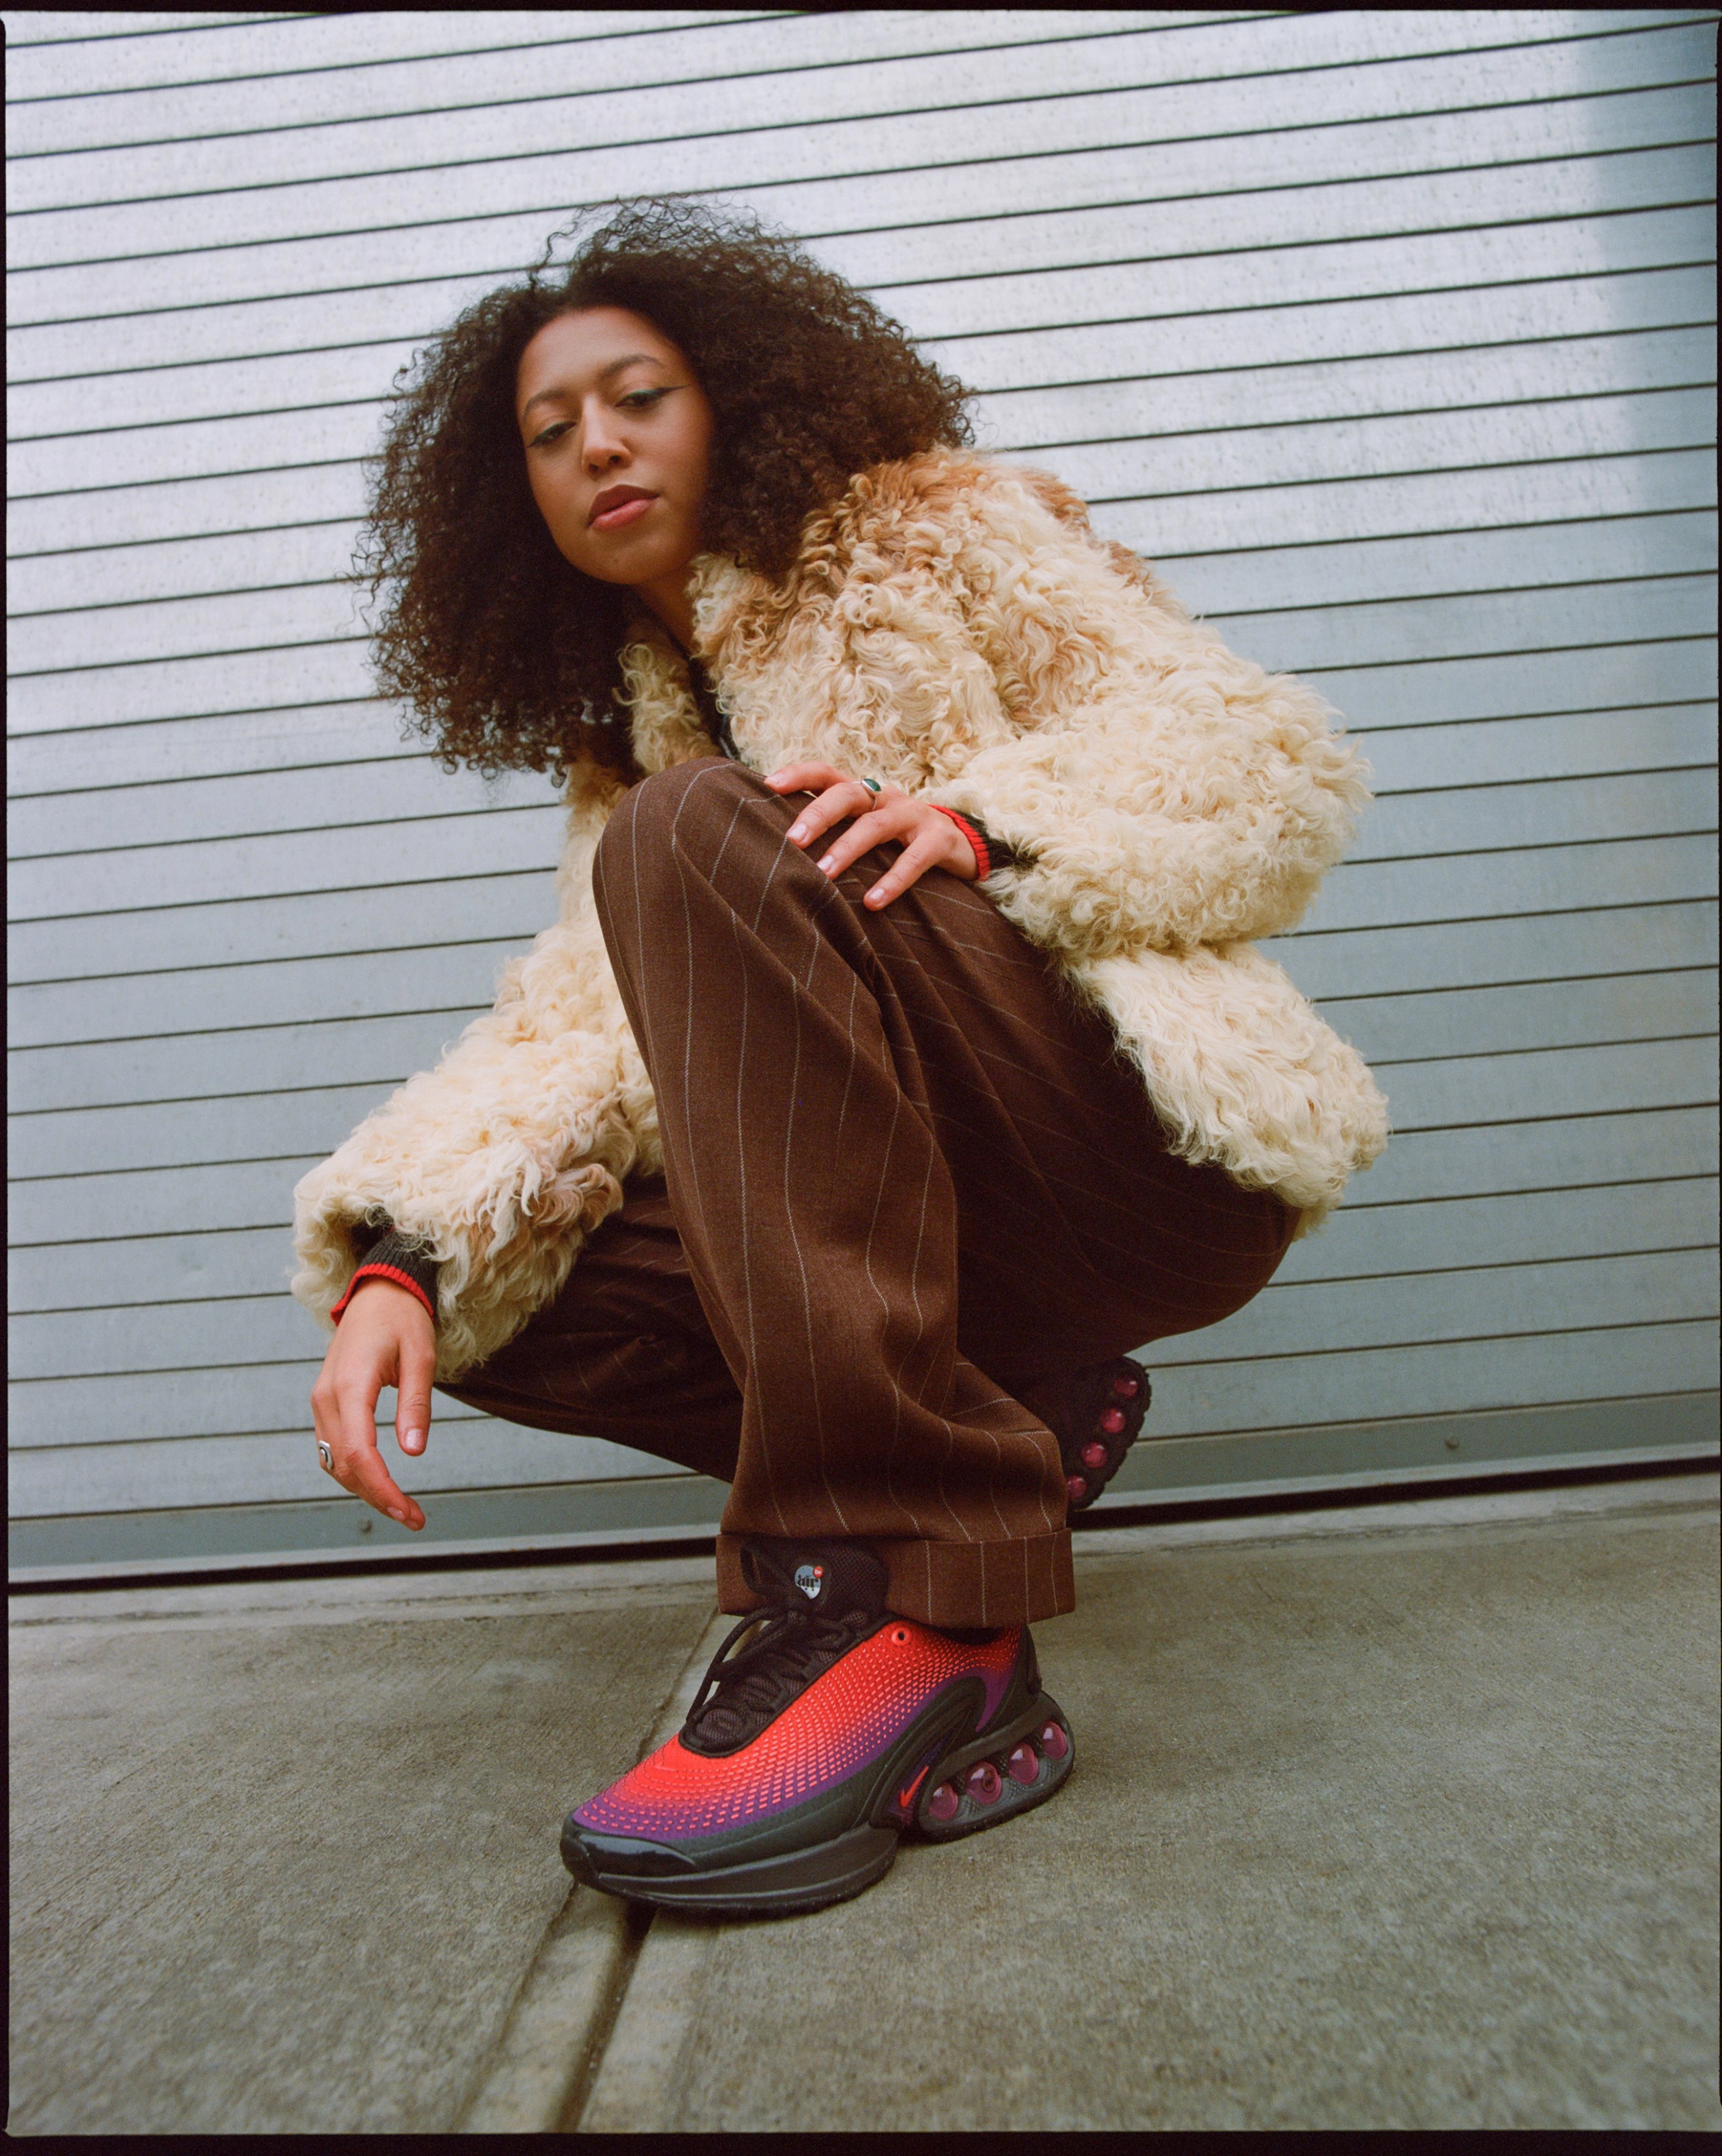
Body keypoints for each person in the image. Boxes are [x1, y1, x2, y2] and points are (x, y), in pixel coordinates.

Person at [293, 198, 1388, 1917]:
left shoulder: (936, 531)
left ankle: (897, 1605)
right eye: (548, 431)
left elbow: (1259, 755)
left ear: (729, 391)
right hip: (946, 1222)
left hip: (1119, 1146)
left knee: (695, 843)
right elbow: (580, 1031)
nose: (595, 444)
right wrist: (404, 1255)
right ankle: (995, 1433)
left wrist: (986, 821)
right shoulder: (640, 743)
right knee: (511, 1303)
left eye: (634, 394)